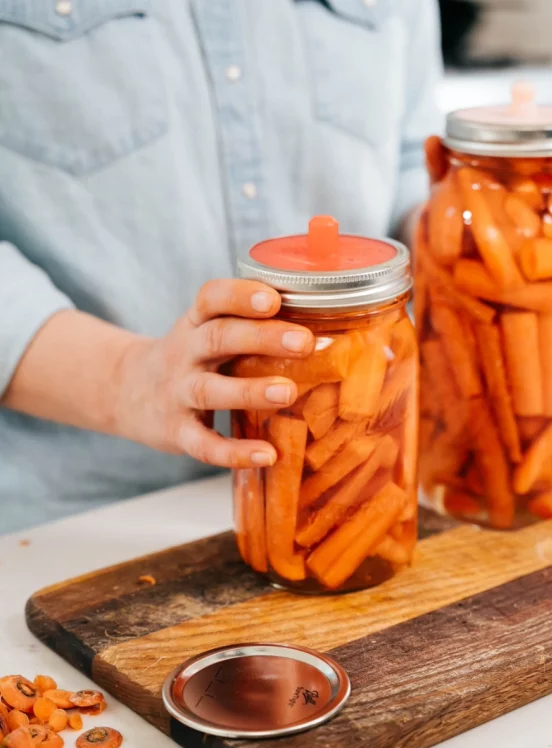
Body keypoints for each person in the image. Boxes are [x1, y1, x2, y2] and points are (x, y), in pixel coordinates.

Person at [0, 0, 442, 532]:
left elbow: (410, 163)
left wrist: (470, 249)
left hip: (358, 494)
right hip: (79, 522)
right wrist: (127, 380)